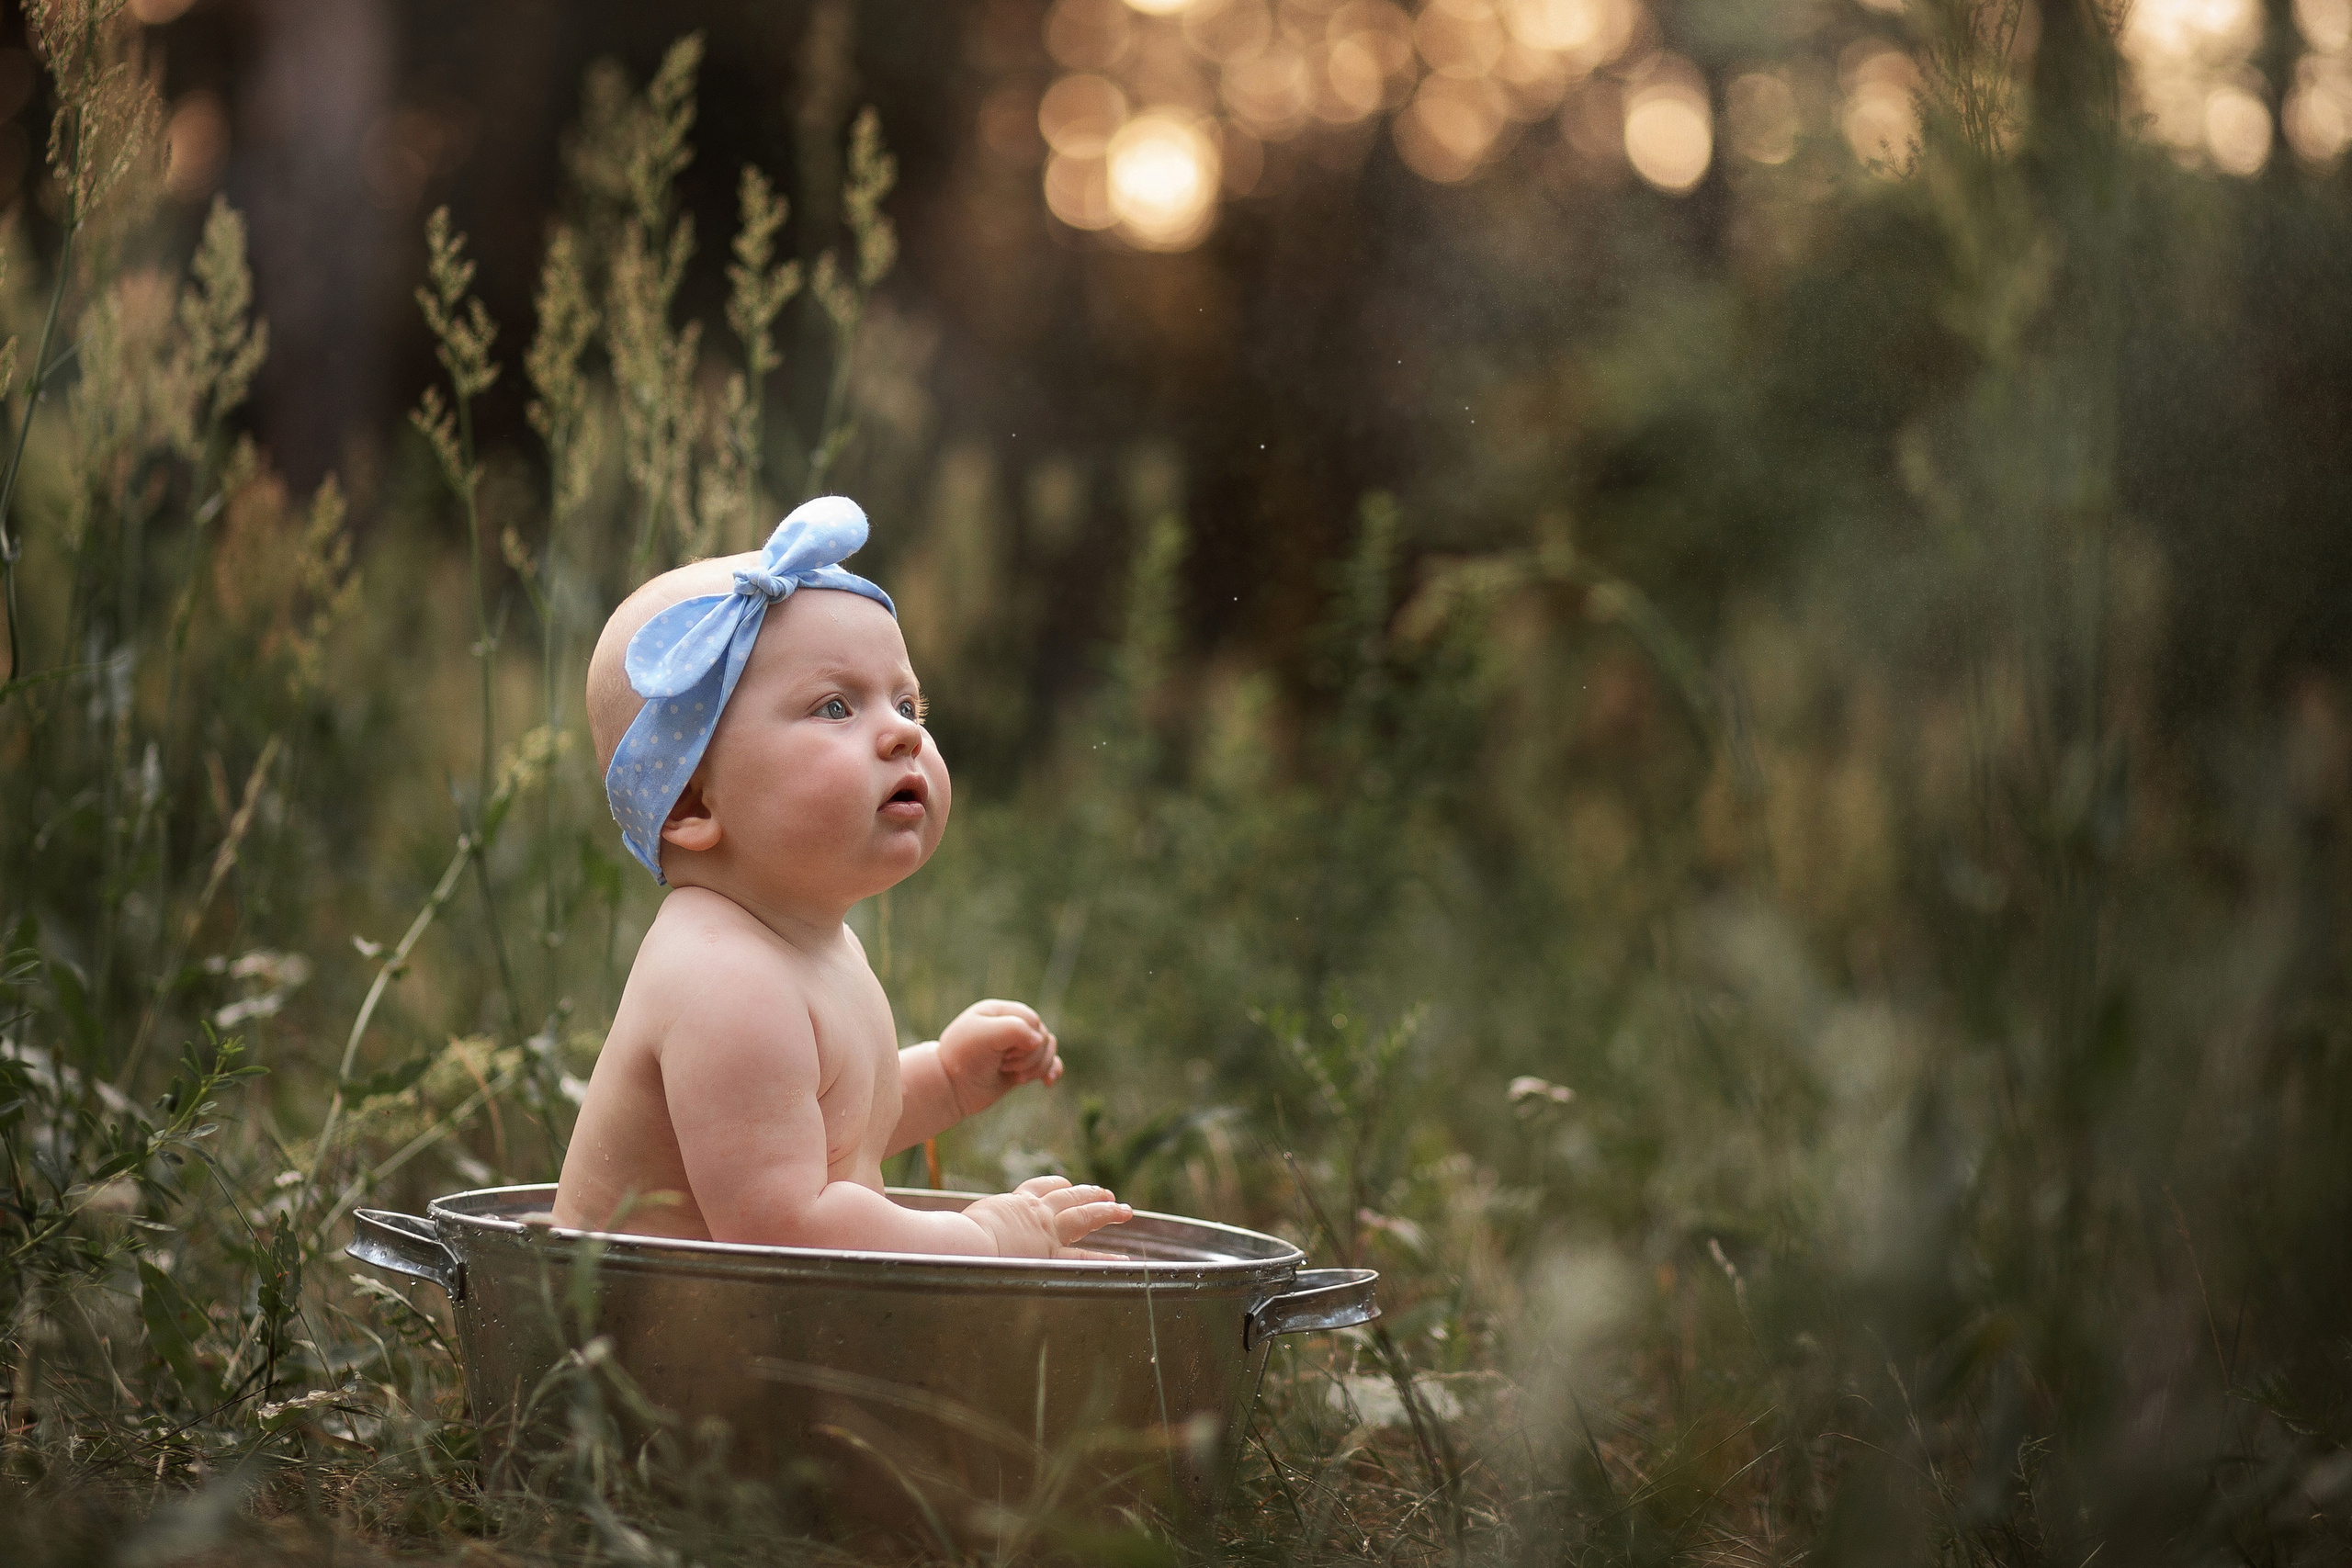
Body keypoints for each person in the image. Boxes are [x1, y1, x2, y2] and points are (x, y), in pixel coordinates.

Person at [551, 496, 1131, 1258]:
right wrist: (983, 1235)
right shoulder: (723, 980)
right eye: (834, 706)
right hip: (644, 1350)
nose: (903, 733)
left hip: (747, 1343)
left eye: (906, 701)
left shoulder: (805, 943)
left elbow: (825, 1124)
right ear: (694, 800)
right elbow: (781, 1228)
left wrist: (949, 1078)